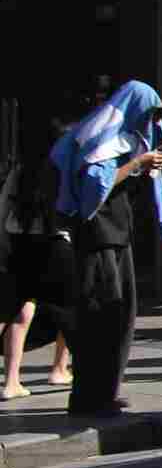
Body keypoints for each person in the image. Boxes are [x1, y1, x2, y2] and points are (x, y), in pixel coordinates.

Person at [50, 80, 162, 417]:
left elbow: (118, 189)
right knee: (99, 318)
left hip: (117, 237)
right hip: (97, 240)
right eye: (148, 112)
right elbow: (95, 187)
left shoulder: (124, 139)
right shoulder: (100, 136)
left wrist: (144, 168)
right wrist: (136, 164)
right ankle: (89, 397)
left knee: (119, 317)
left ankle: (105, 390)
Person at [2, 120, 72, 400]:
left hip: (21, 241)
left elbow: (3, 207)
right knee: (68, 309)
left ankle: (11, 382)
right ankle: (59, 368)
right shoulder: (62, 170)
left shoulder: (20, 172)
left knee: (21, 310)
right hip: (56, 242)